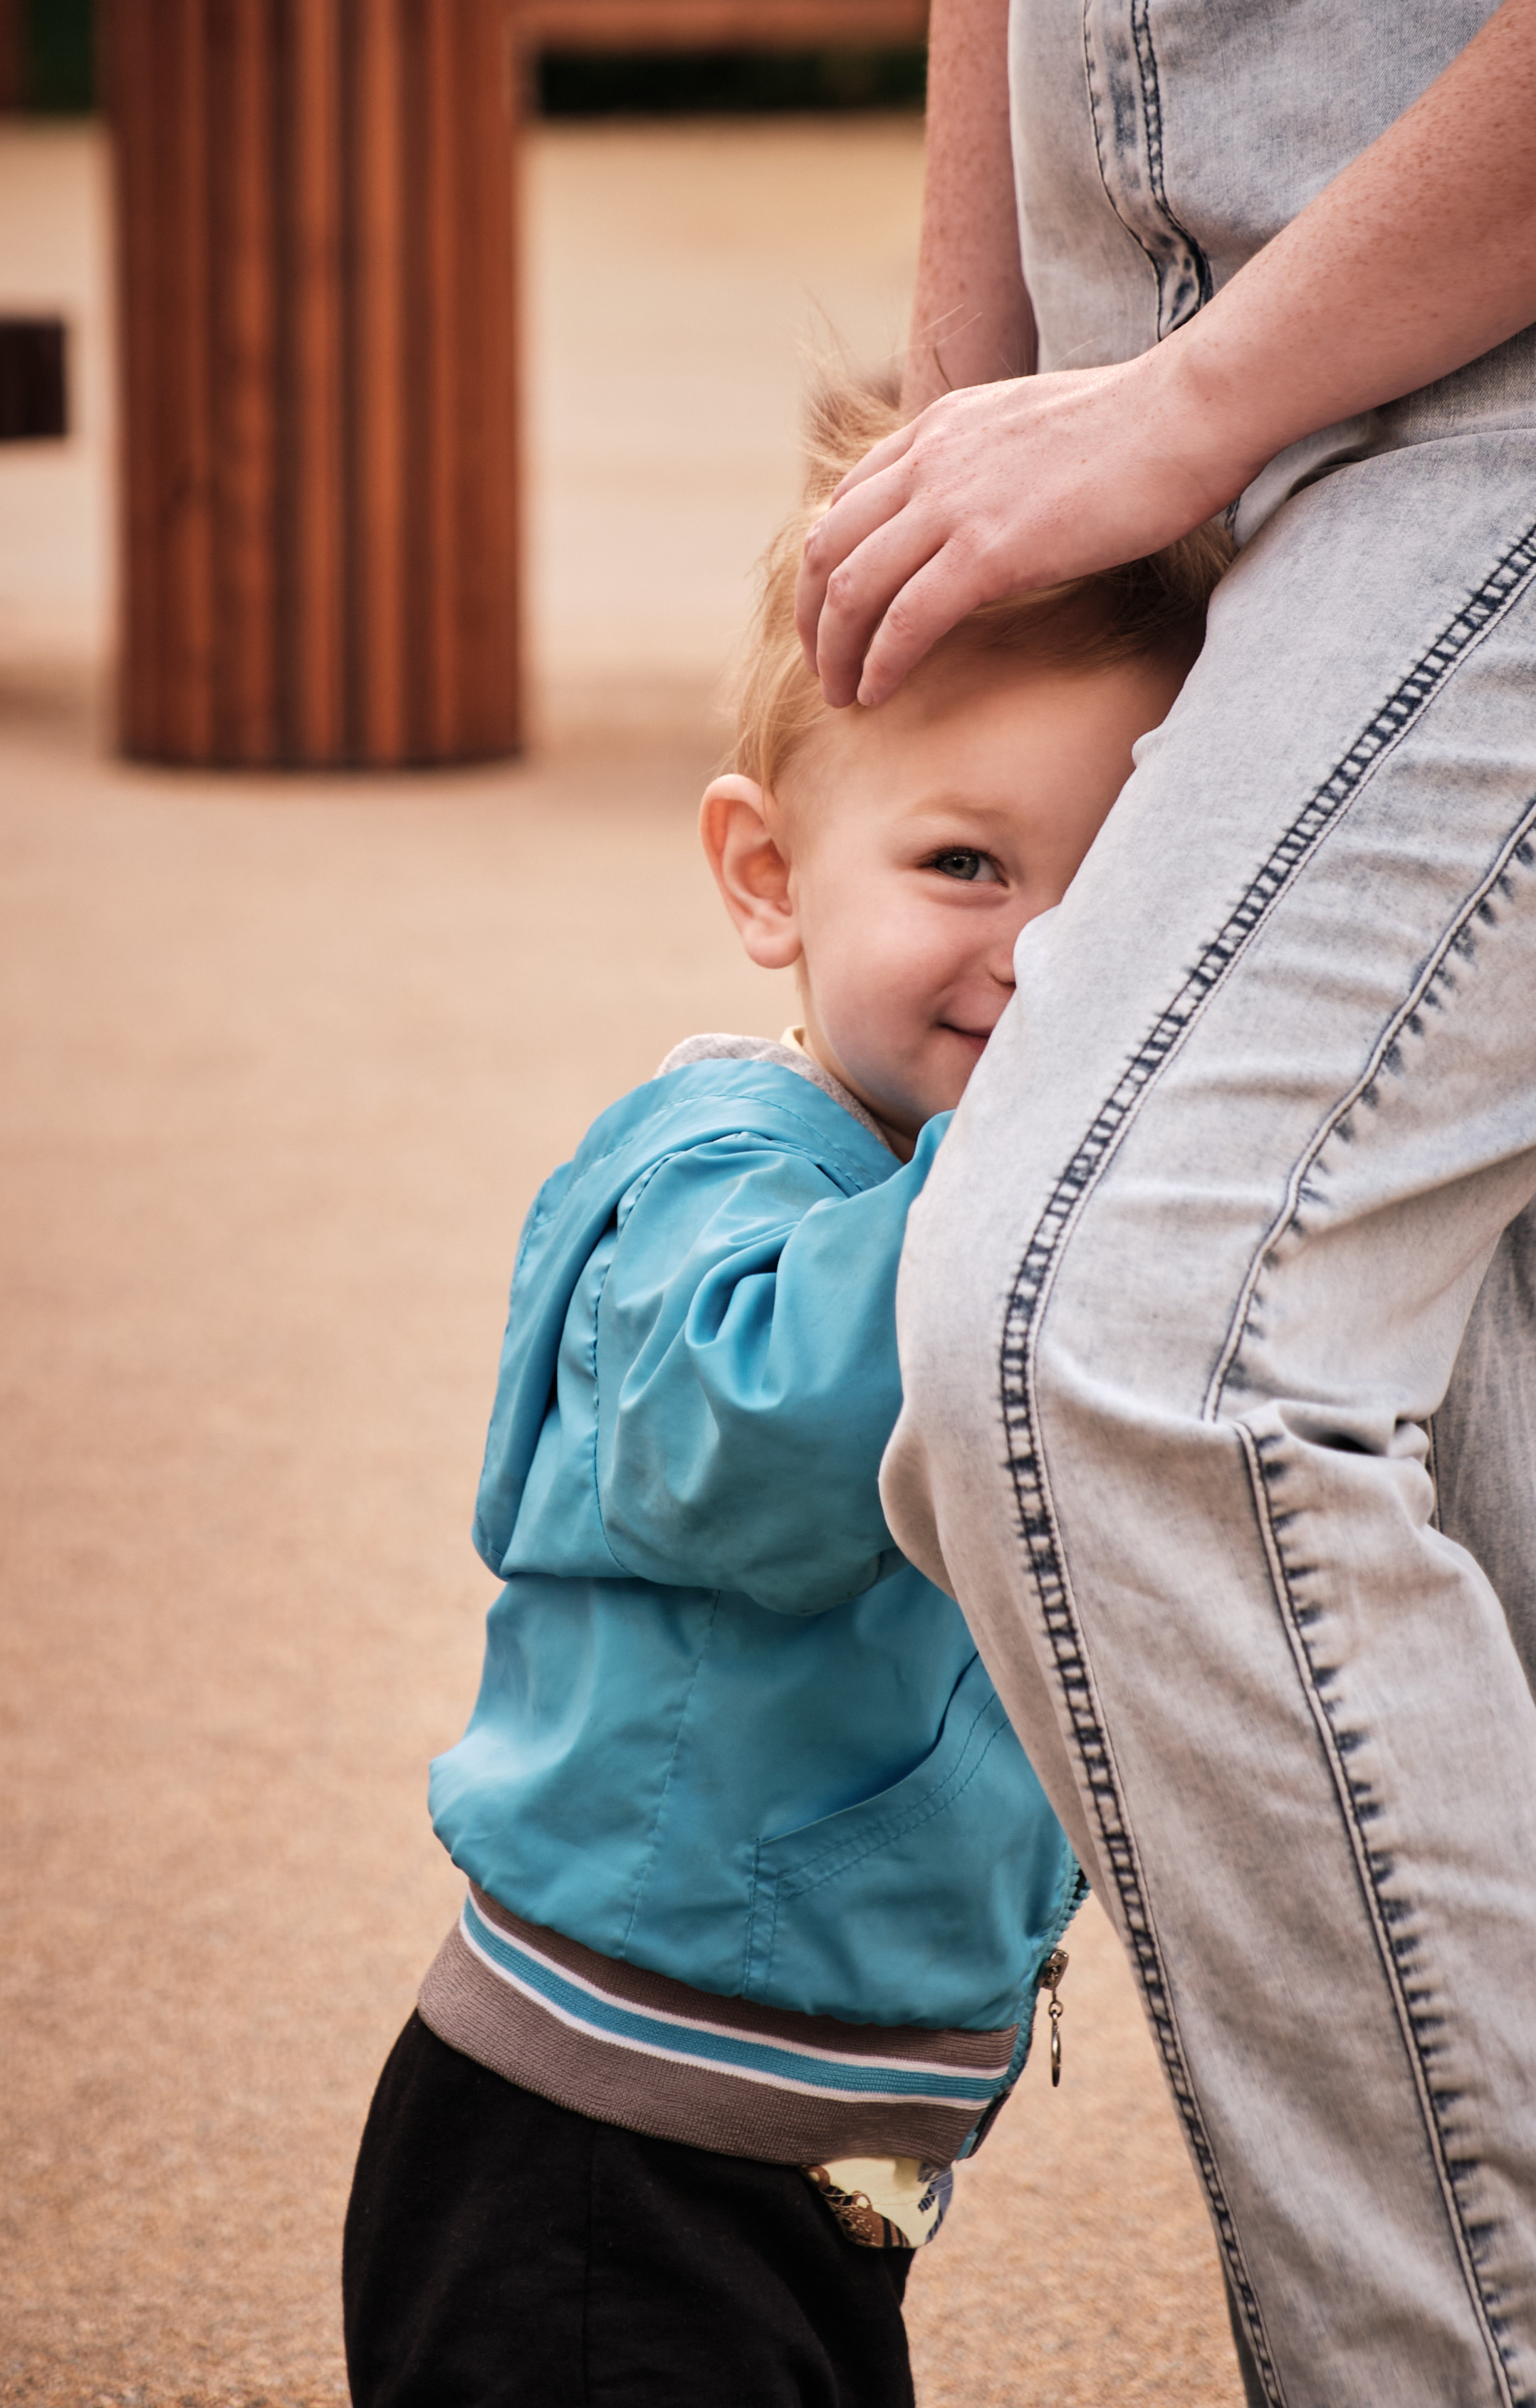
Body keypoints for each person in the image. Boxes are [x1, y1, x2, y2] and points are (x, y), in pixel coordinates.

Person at [340, 385, 1231, 2408]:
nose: (1052, 966)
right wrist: (1033, 1152)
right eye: (967, 862)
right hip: (595, 2148)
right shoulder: (719, 1179)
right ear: (770, 877)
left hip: (825, 2155)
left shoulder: (1007, 1206)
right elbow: (750, 1446)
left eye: (1123, 899)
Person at [793, 6, 1536, 2403]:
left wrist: (1190, 405)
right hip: (1179, 457)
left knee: (1117, 1333)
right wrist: (970, 431)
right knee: (1486, 1456)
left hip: (1471, 405)